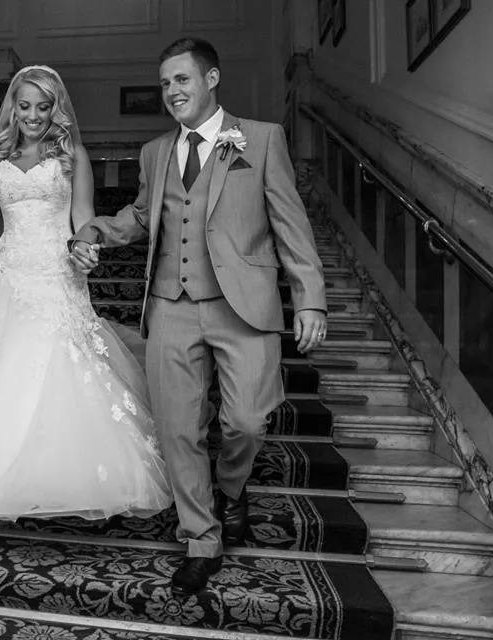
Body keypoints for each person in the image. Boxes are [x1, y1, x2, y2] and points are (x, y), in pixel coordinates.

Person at [69, 38, 328, 596]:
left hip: (245, 306)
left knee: (247, 421)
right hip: (170, 305)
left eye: (181, 80)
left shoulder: (261, 140)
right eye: (164, 84)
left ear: (211, 79)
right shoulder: (155, 152)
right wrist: (93, 231)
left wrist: (309, 296)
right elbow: (141, 216)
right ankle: (201, 537)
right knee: (178, 429)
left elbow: (290, 222)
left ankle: (230, 490)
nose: (171, 92)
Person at [0, 66, 171, 522]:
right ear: (13, 109)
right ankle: (5, 477)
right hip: (10, 272)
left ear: (55, 108)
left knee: (59, 362)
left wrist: (86, 246)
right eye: (24, 106)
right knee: (7, 370)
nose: (34, 115)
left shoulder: (71, 154)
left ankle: (69, 473)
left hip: (56, 270)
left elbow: (83, 216)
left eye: (43, 106)